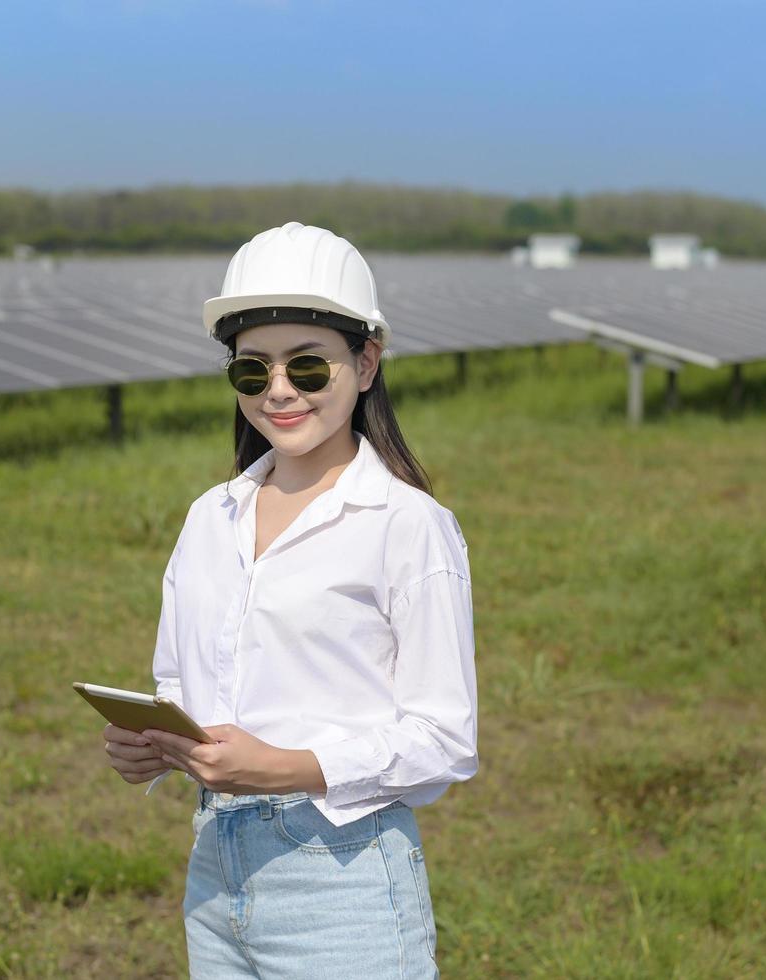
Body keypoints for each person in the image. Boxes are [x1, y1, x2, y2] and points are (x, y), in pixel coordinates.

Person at [101, 221, 479, 978]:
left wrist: (283, 766)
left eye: (308, 367)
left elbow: (445, 740)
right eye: (252, 371)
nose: (278, 390)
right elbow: (179, 683)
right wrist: (158, 747)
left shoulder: (406, 525)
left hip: (341, 883)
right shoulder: (212, 516)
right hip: (215, 869)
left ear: (365, 362)